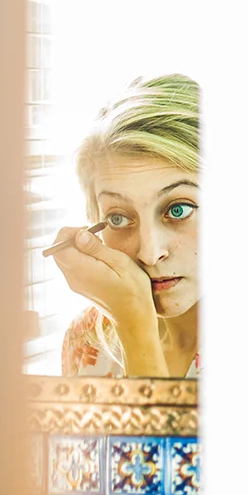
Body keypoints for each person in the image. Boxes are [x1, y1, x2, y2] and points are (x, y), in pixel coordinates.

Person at [52, 74, 201, 378]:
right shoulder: (86, 340)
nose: (150, 253)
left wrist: (136, 332)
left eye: (178, 210)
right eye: (118, 218)